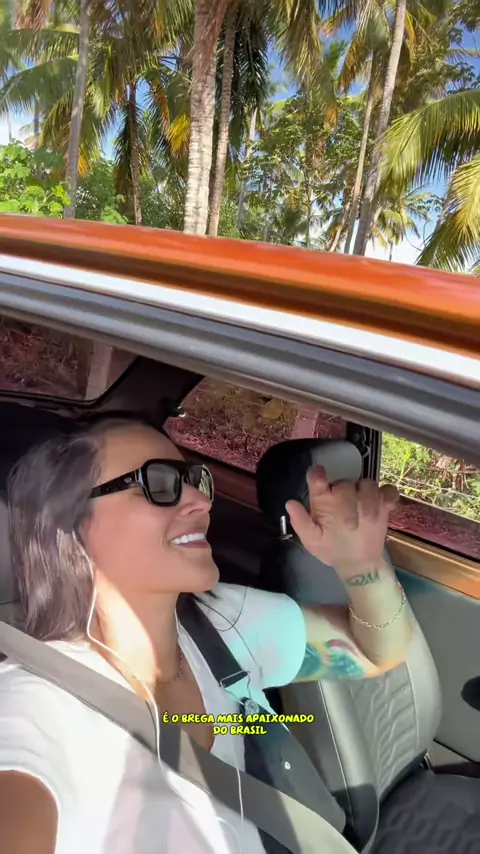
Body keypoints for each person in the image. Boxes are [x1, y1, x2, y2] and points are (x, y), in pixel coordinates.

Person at [0, 414, 414, 854]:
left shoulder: (222, 621)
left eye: (194, 480)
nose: (201, 500)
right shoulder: (37, 704)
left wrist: (362, 566)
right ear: (68, 525)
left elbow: (376, 652)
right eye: (158, 482)